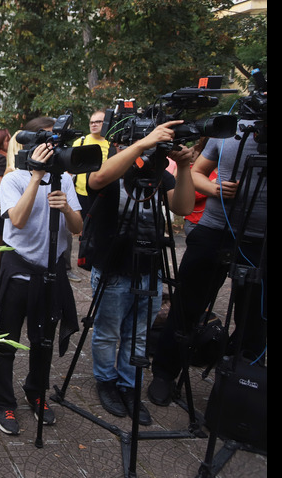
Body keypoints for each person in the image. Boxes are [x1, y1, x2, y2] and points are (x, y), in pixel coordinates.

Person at [83, 120, 195, 425]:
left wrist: (183, 168)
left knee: (138, 334)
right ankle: (106, 382)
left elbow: (184, 208)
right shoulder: (116, 166)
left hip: (150, 268)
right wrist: (142, 144)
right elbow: (98, 178)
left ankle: (128, 386)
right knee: (107, 332)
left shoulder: (158, 174)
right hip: (113, 267)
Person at [148, 120, 267, 406]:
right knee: (187, 307)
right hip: (214, 230)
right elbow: (198, 172)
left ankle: (242, 385)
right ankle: (164, 373)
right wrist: (214, 189)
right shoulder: (230, 132)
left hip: (260, 241)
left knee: (255, 318)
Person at [0, 117, 82, 434]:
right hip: (19, 267)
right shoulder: (14, 180)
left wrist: (67, 209)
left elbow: (77, 227)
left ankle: (36, 392)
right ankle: (3, 401)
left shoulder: (65, 181)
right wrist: (36, 178)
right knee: (7, 340)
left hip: (51, 269)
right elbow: (15, 220)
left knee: (42, 340)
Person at [72, 109, 117, 215]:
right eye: (92, 122)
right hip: (81, 194)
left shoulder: (112, 144)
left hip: (103, 194)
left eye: (98, 122)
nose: (94, 125)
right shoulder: (80, 142)